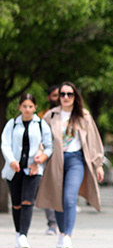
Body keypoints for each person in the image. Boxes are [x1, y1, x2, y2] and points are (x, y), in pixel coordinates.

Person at [36, 82, 105, 248]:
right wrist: (39, 153)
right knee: (57, 198)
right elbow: (41, 138)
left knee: (69, 197)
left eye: (70, 94)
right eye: (62, 94)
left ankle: (68, 235)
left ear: (75, 97)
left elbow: (93, 140)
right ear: (58, 97)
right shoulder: (51, 116)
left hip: (76, 160)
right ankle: (62, 233)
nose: (66, 97)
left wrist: (98, 164)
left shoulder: (83, 116)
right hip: (55, 161)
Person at [2, 94, 53, 248]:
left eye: (30, 106)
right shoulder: (12, 124)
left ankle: (24, 235)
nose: (27, 109)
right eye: (24, 106)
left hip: (33, 169)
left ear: (35, 108)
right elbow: (5, 144)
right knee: (16, 203)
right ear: (19, 107)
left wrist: (40, 159)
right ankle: (18, 232)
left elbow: (49, 146)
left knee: (27, 201)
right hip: (14, 169)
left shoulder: (41, 124)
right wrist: (11, 160)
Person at [39, 84, 60, 236]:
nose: (59, 98)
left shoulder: (71, 115)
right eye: (55, 95)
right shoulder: (44, 116)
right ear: (48, 98)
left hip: (65, 157)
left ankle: (62, 222)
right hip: (48, 156)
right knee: (48, 189)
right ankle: (52, 223)